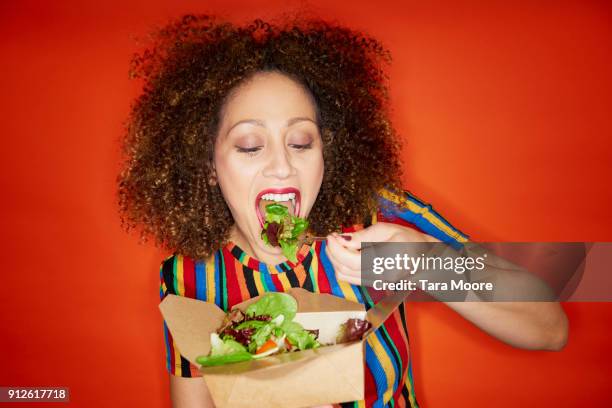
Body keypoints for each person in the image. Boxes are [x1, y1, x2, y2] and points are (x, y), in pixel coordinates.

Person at [117, 14, 568, 408]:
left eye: (301, 142)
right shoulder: (188, 280)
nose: (281, 165)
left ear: (326, 153)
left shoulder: (379, 216)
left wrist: (425, 260)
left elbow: (549, 328)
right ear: (210, 166)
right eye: (250, 146)